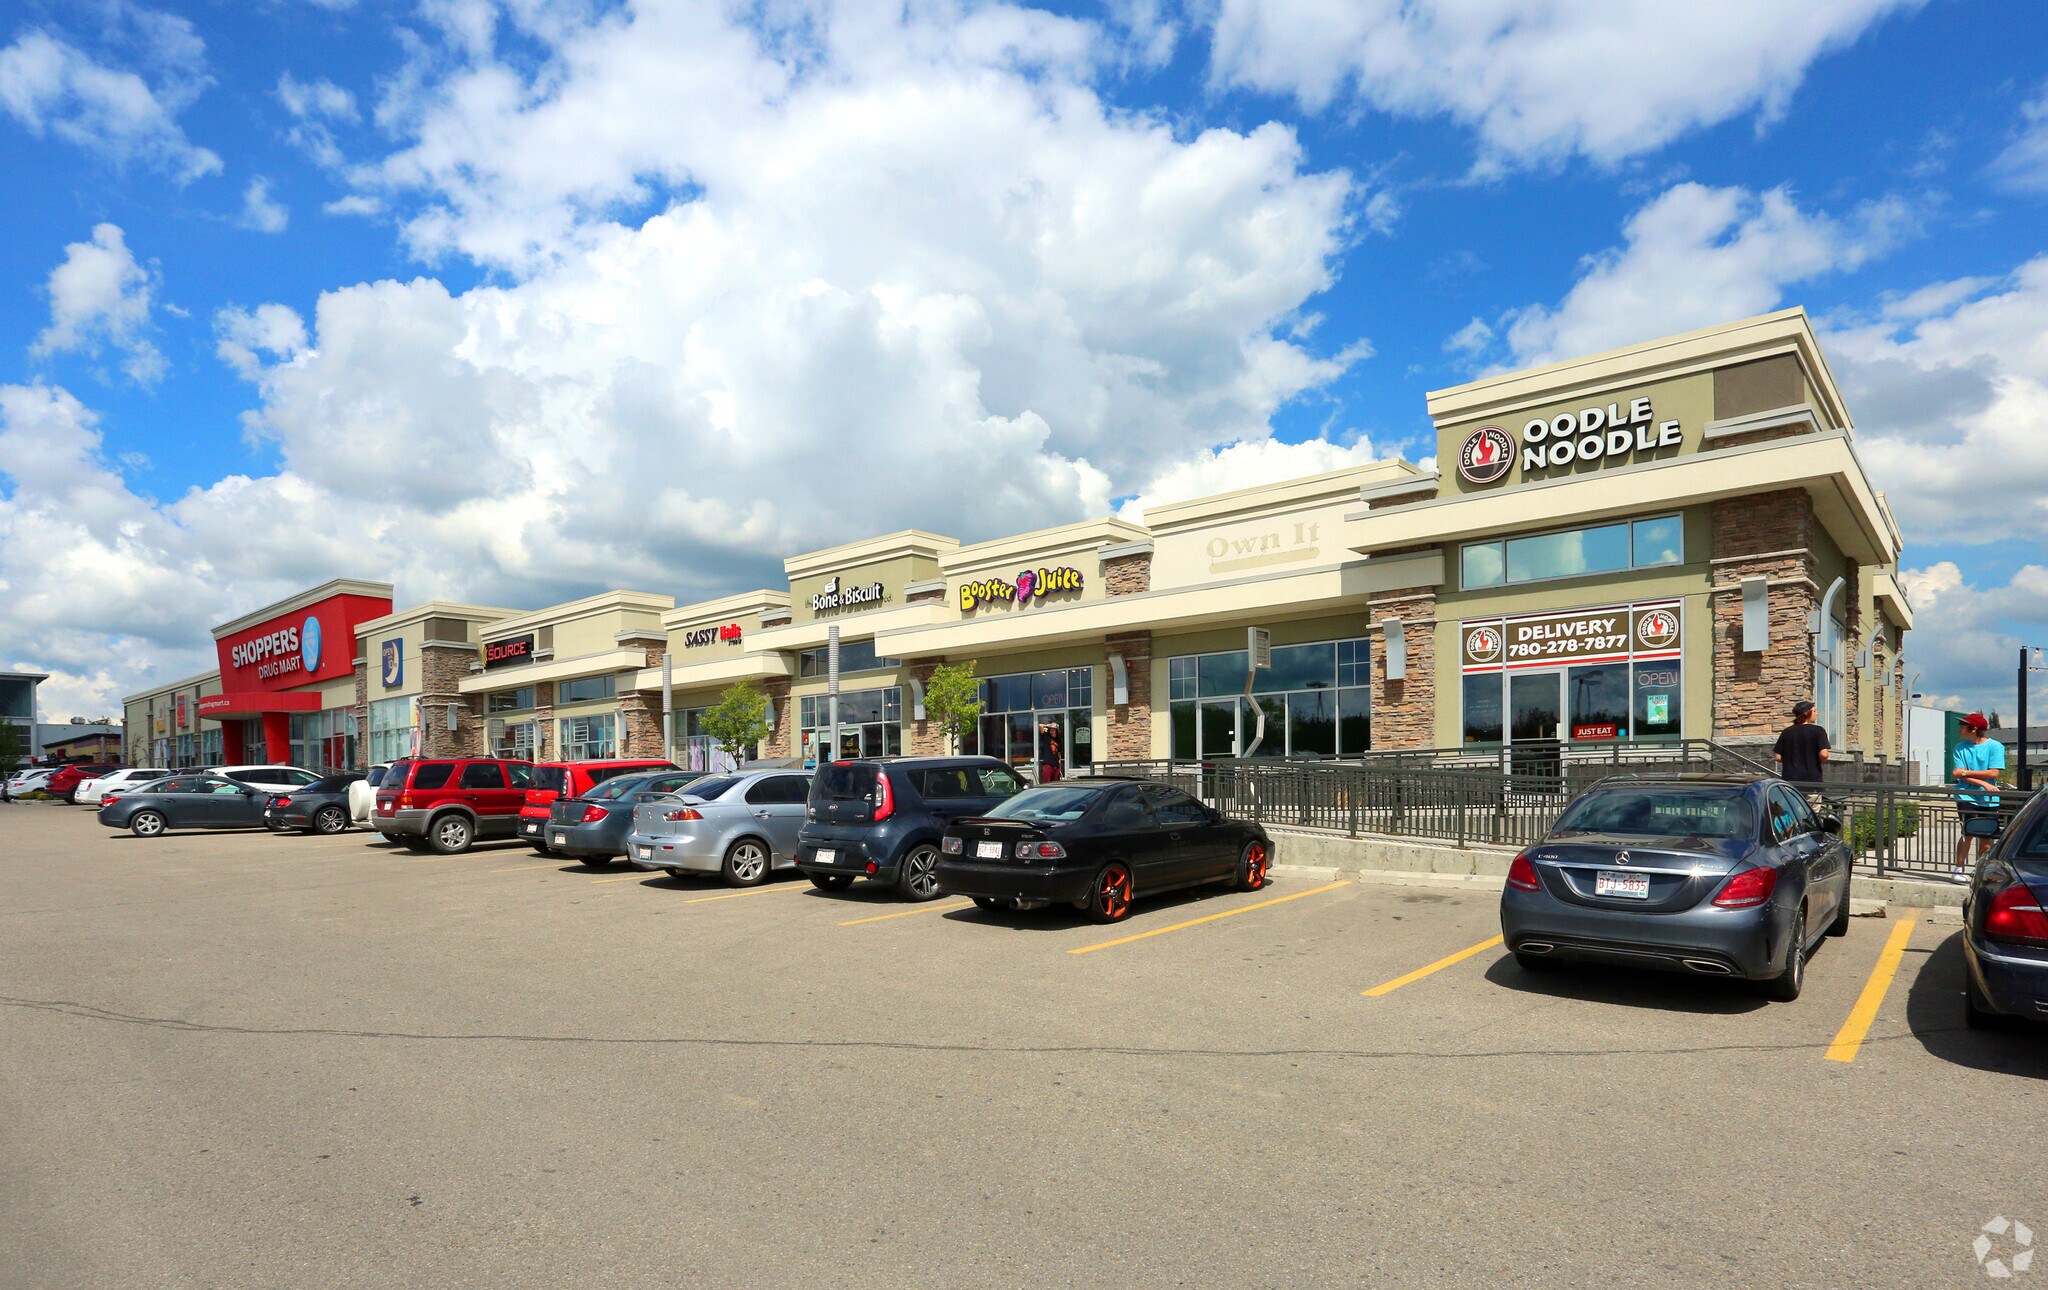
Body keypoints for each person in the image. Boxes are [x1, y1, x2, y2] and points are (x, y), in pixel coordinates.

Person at [1952, 712, 2006, 877]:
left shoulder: (1995, 746)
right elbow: (1957, 774)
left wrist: (1965, 773)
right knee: (1968, 832)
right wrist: (1983, 783)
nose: (1959, 729)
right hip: (1966, 795)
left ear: (1973, 728)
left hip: (1989, 799)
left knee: (1985, 835)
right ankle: (1959, 869)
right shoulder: (1959, 748)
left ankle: (1980, 871)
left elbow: (1993, 773)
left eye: (1963, 726)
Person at [1772, 700, 1831, 786]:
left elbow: (1778, 757)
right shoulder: (1818, 731)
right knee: (1811, 795)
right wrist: (1814, 763)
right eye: (1814, 711)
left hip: (1790, 780)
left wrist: (1792, 762)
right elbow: (1824, 755)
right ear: (1807, 713)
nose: (1817, 714)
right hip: (1812, 780)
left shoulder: (1786, 732)